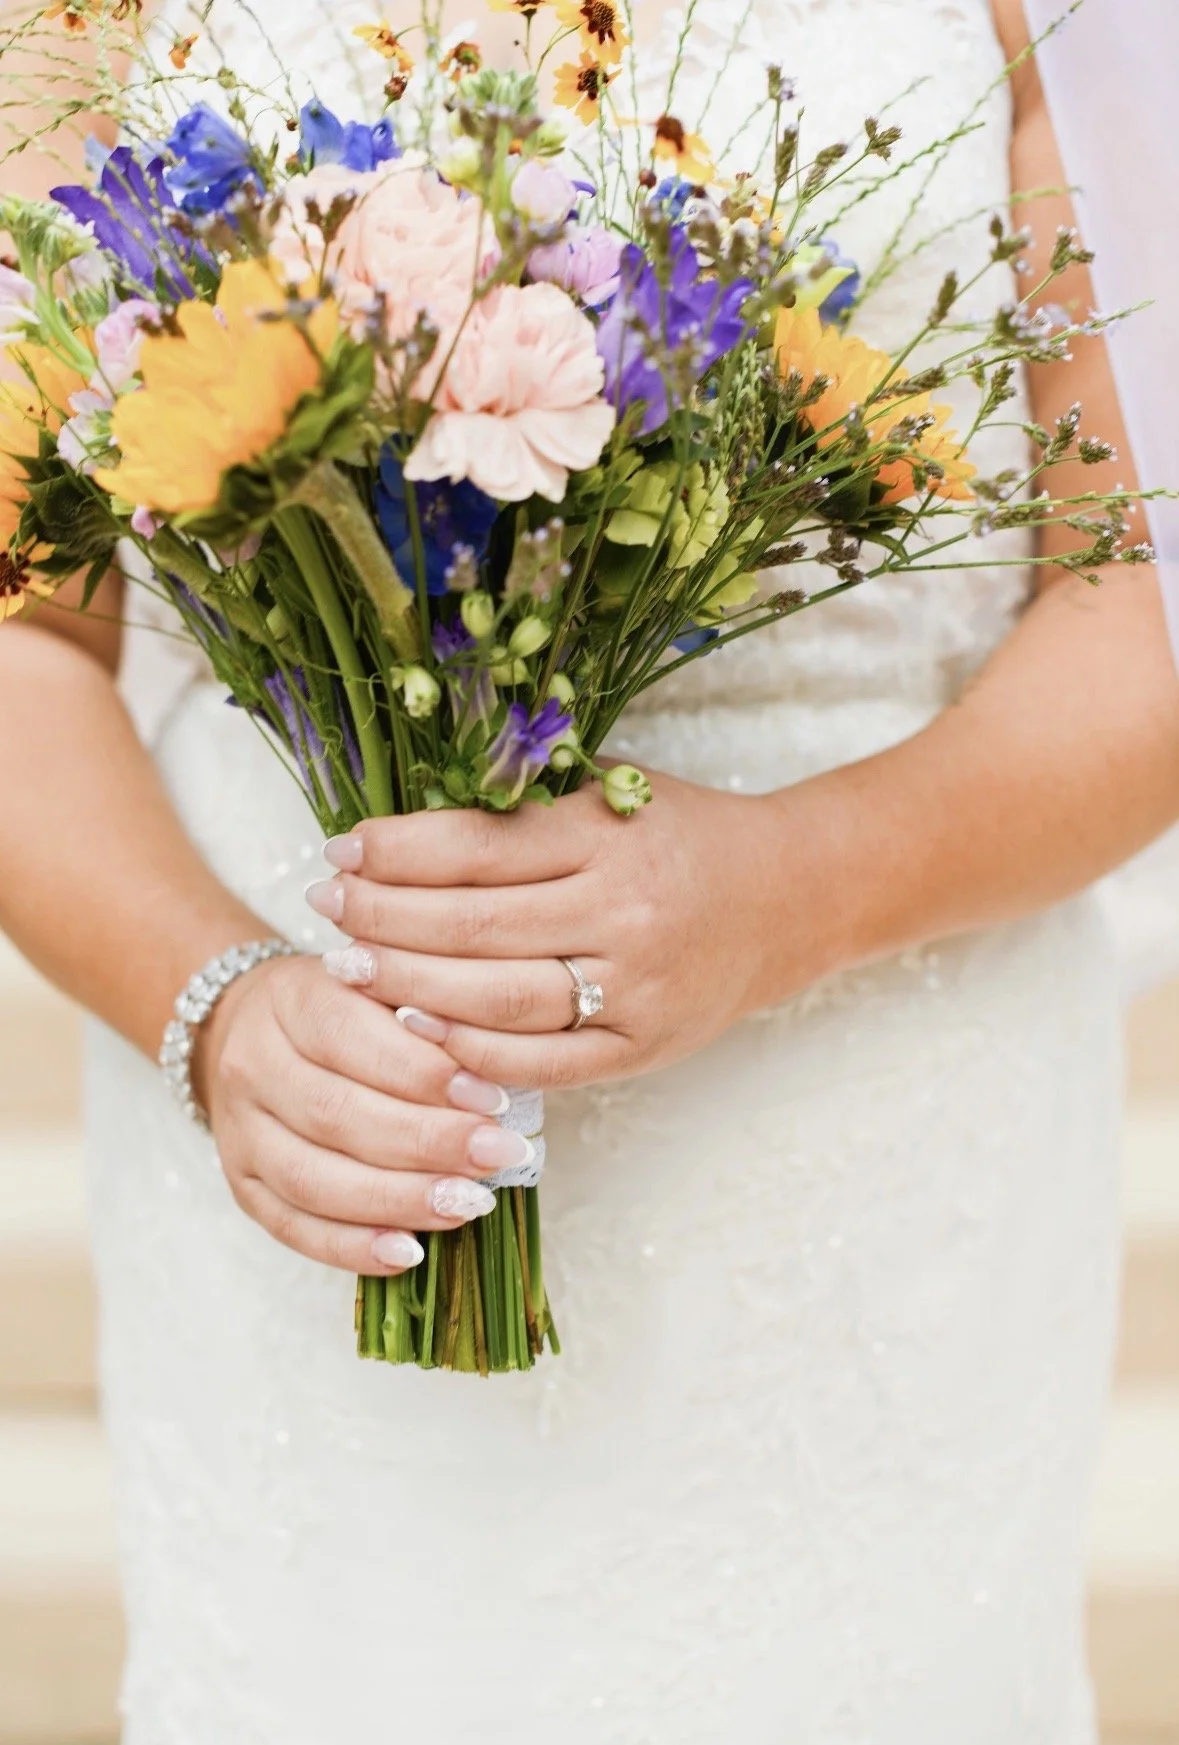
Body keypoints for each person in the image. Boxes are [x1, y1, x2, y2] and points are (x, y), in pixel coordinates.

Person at [2, 0, 1178, 1737]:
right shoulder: (78, 24)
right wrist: (220, 1013)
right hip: (313, 1154)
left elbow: (1136, 598)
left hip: (864, 1166)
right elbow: (28, 645)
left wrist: (791, 889)